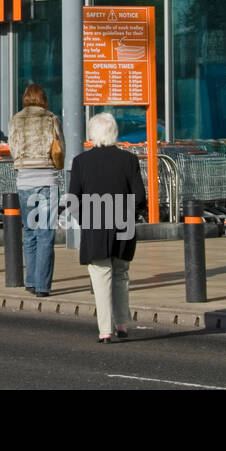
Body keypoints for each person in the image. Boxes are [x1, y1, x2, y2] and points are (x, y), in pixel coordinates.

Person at [67, 112, 148, 344]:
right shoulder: (129, 160)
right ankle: (122, 324)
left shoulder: (81, 162)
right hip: (123, 224)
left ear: (93, 134)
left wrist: (86, 220)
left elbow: (73, 200)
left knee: (101, 277)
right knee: (121, 274)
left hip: (95, 226)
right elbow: (140, 196)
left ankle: (105, 330)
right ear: (114, 133)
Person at [7, 83, 64, 297]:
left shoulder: (16, 119)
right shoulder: (51, 119)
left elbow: (13, 149)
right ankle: (42, 286)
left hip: (25, 182)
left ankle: (31, 281)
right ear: (44, 98)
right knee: (45, 234)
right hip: (47, 180)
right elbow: (60, 148)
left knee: (29, 233)